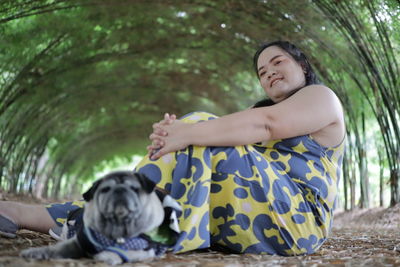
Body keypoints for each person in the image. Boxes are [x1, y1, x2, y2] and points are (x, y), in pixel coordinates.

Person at [0, 41, 345, 256]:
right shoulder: (259, 111)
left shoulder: (321, 98)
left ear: (302, 65)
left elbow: (266, 125)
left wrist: (187, 131)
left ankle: (128, 228)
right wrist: (179, 135)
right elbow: (233, 136)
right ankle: (19, 213)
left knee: (200, 128)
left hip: (297, 224)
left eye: (278, 62)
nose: (269, 72)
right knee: (198, 133)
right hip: (252, 217)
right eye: (262, 71)